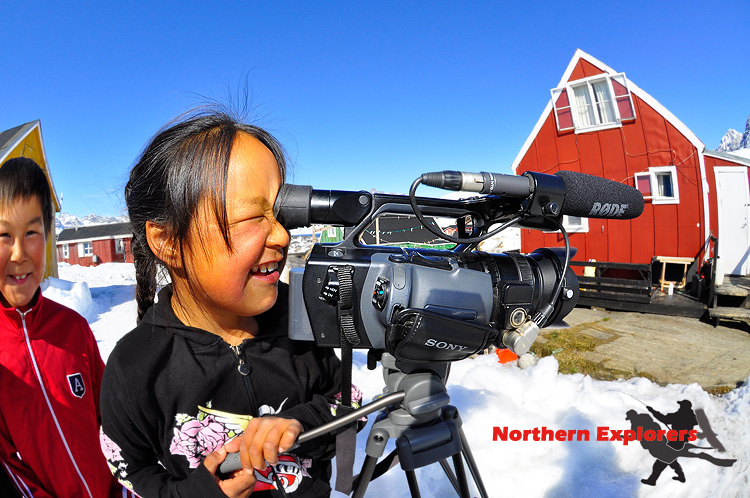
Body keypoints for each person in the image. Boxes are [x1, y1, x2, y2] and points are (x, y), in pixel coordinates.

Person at [100, 109, 350, 498]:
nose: (282, 236)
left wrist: (298, 425)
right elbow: (128, 467)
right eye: (252, 216)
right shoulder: (137, 364)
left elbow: (345, 398)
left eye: (280, 214)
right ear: (167, 242)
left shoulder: (299, 320)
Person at [0, 157, 125, 497]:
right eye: (3, 235)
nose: (18, 253)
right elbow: (6, 466)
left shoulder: (73, 329)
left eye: (31, 233)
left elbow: (110, 422)